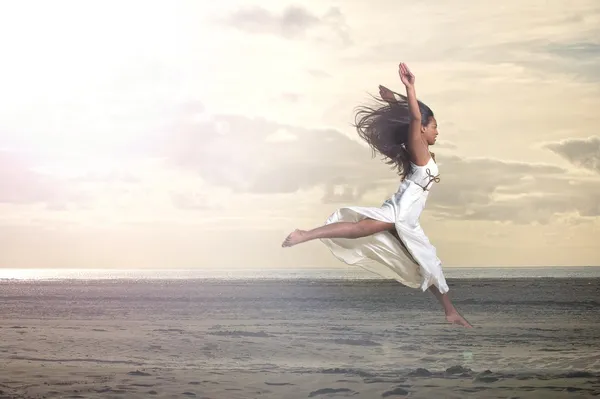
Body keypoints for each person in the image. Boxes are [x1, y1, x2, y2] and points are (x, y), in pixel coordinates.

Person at [282, 62, 472, 328]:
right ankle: (306, 234)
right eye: (434, 126)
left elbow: (413, 120)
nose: (437, 131)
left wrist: (396, 101)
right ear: (422, 131)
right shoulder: (418, 148)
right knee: (363, 228)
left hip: (408, 219)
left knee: (428, 264)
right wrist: (410, 89)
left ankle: (450, 312)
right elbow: (415, 119)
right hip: (400, 213)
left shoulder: (419, 151)